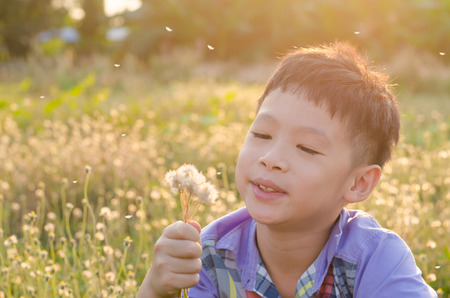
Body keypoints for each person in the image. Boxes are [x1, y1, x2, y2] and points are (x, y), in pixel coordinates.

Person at [137, 42, 437, 297]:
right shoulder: (209, 256)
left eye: (306, 148)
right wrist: (155, 287)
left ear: (359, 182)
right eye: (261, 135)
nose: (271, 158)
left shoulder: (376, 258)